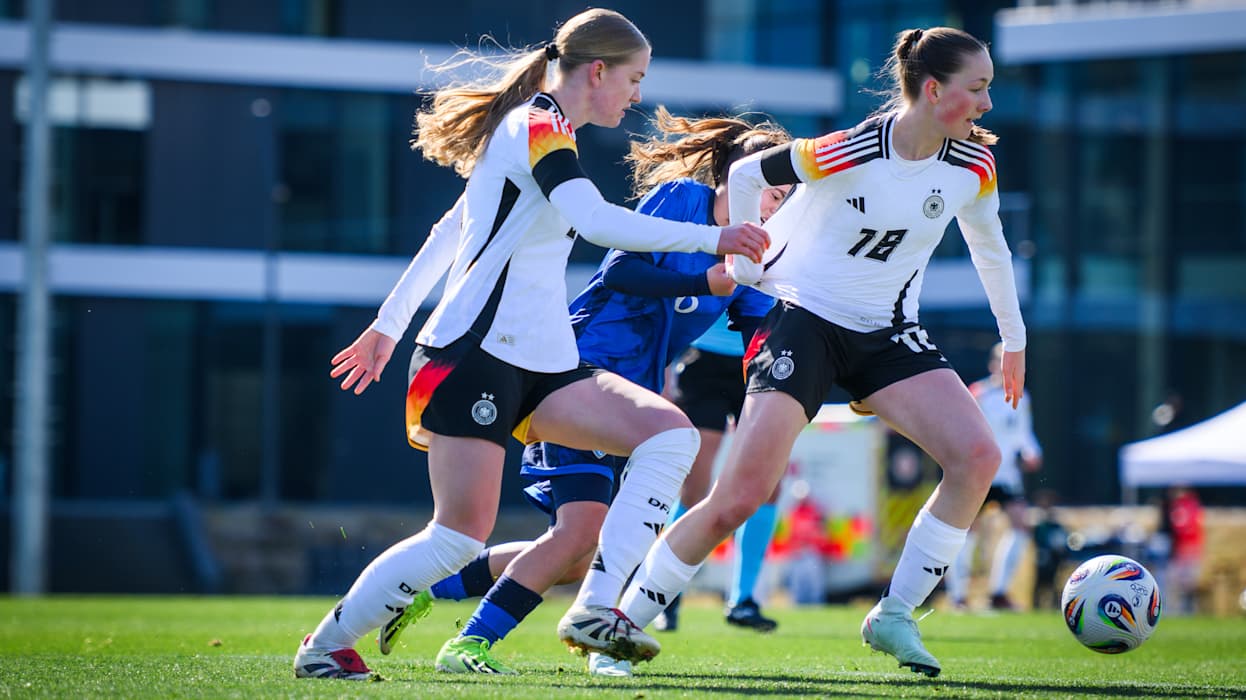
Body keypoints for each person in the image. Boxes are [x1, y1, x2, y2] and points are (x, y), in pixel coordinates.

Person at [292, 8, 769, 681]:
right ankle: (325, 646)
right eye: (634, 78)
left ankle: (598, 609)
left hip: (544, 362)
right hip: (476, 356)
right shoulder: (536, 125)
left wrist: (386, 326)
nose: (638, 94)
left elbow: (450, 230)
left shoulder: (550, 131)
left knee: (670, 435)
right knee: (456, 537)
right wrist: (714, 239)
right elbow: (594, 222)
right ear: (597, 71)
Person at [603, 26, 1028, 680]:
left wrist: (1015, 340)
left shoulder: (974, 165)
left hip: (887, 334)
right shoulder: (852, 147)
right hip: (802, 321)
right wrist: (746, 264)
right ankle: (619, 629)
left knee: (978, 458)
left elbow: (991, 249)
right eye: (978, 88)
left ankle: (894, 614)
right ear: (932, 89)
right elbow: (747, 173)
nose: (987, 104)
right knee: (740, 497)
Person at [382, 106, 789, 676]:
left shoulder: (750, 259)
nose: (774, 206)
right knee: (580, 533)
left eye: (783, 197)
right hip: (576, 370)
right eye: (770, 191)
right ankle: (474, 645)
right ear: (732, 179)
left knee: (576, 551)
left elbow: (759, 336)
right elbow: (618, 272)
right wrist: (701, 280)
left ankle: (428, 591)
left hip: (630, 400)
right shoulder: (682, 199)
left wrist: (810, 374)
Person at [653, 314, 783, 634]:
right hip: (704, 360)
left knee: (769, 486)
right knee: (694, 489)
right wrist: (665, 369)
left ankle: (744, 600)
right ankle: (664, 595)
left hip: (760, 357)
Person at [944, 342, 1042, 611]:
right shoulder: (979, 393)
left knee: (1021, 526)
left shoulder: (1022, 396)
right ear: (992, 364)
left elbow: (1023, 433)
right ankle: (958, 595)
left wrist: (1032, 452)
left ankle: (998, 592)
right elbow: (964, 429)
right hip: (981, 472)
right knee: (967, 531)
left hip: (1008, 475)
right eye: (1001, 359)